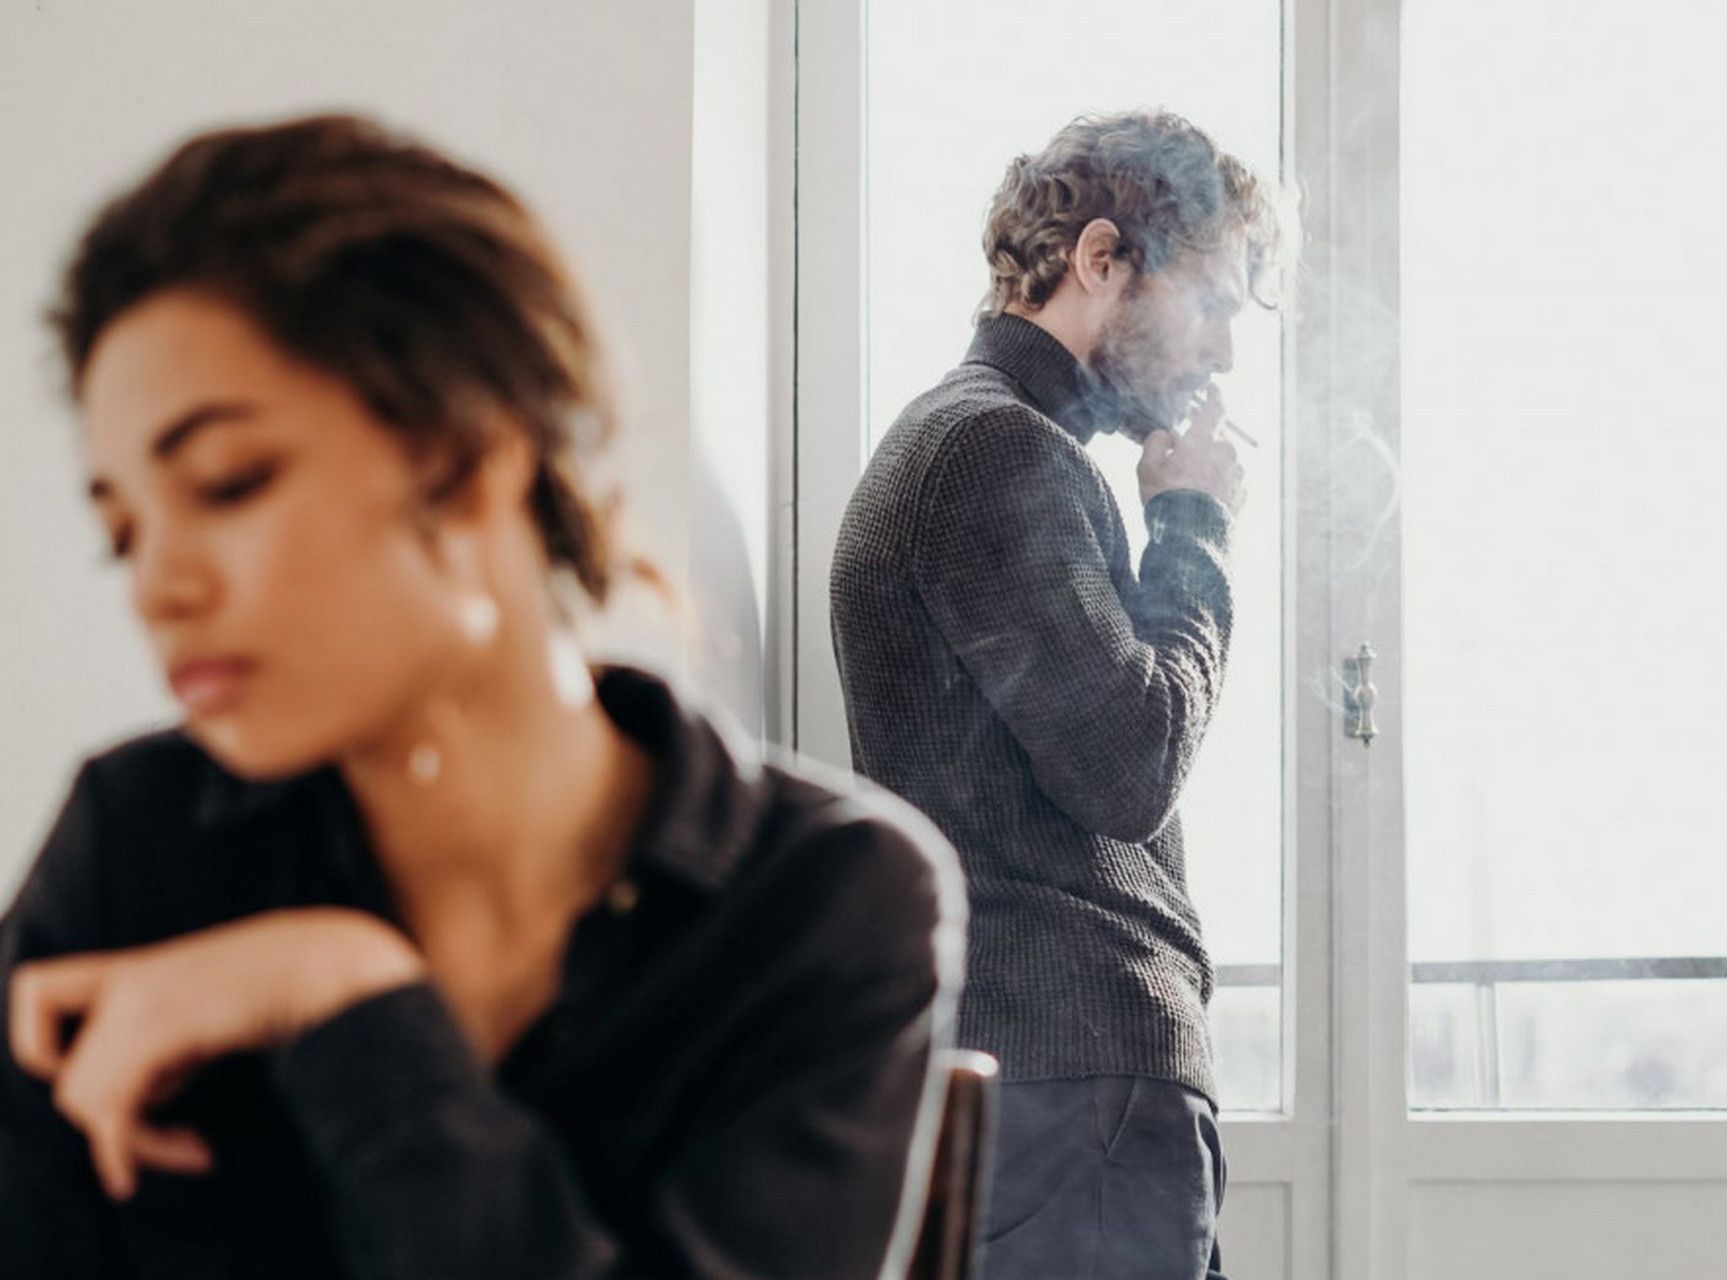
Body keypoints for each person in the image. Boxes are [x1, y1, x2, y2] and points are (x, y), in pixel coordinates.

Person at [0, 113, 963, 1280]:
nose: (158, 585)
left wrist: (345, 997)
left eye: (227, 481)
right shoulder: (136, 840)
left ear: (468, 464)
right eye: (121, 532)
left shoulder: (831, 897)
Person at [830, 110, 1287, 1279]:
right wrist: (1192, 524)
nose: (1225, 352)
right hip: (1074, 1084)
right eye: (1214, 301)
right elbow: (1131, 762)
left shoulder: (987, 443)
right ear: (1100, 258)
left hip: (1059, 1091)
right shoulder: (995, 449)